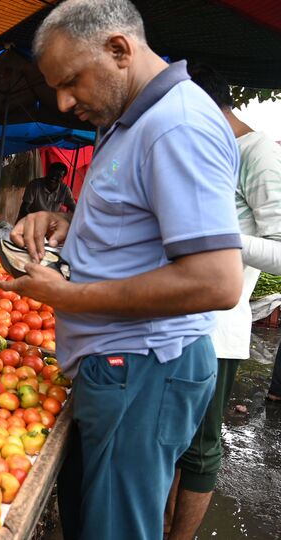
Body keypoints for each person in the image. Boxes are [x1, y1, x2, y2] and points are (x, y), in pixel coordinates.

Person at [0, 1, 244, 539]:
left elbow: (215, 281)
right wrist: (68, 225)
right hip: (123, 367)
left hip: (144, 368)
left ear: (119, 50)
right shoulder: (128, 119)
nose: (64, 103)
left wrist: (66, 296)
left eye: (71, 82)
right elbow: (139, 227)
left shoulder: (177, 126)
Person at [164, 63, 281, 540]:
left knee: (199, 449)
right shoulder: (210, 150)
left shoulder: (258, 154)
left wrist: (215, 235)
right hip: (174, 321)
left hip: (216, 331)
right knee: (171, 442)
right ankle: (163, 526)